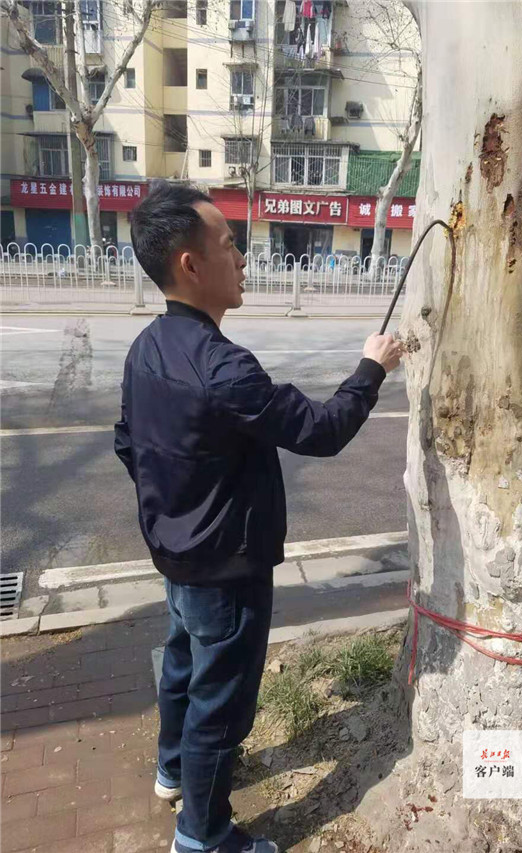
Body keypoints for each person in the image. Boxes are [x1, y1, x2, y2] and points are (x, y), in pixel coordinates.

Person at [114, 180, 403, 853]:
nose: (242, 257)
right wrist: (372, 365)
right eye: (229, 244)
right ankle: (205, 835)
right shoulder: (224, 369)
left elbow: (129, 444)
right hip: (226, 570)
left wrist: (173, 507)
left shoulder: (146, 348)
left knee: (185, 666)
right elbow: (323, 430)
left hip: (178, 557)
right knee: (221, 706)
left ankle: (172, 770)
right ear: (191, 264)